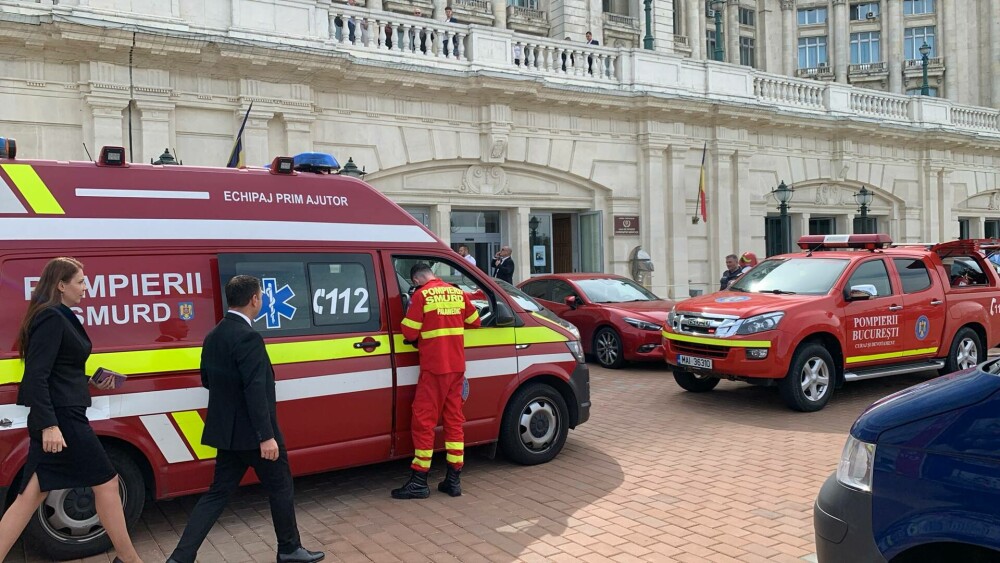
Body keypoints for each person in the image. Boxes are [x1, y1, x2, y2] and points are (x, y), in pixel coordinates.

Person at [167, 276, 324, 563]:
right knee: (280, 486)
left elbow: (207, 380)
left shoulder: (214, 335)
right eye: (261, 296)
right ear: (254, 299)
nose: (262, 300)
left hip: (227, 434)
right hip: (255, 433)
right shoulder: (248, 336)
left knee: (216, 494)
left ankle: (181, 556)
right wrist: (266, 435)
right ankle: (289, 549)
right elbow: (254, 388)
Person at [0, 257, 142, 563]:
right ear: (61, 285)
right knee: (106, 482)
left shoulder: (57, 315)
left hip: (62, 415)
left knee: (30, 496)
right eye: (80, 281)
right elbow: (36, 376)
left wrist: (90, 381)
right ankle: (130, 560)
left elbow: (59, 369)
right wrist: (50, 425)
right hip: (63, 420)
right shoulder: (51, 317)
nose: (85, 288)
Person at [392, 263, 481, 499]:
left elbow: (409, 332)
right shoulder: (457, 292)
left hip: (434, 369)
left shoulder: (421, 296)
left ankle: (419, 480)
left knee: (423, 420)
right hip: (456, 368)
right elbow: (475, 320)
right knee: (453, 421)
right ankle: (453, 479)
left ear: (416, 280)